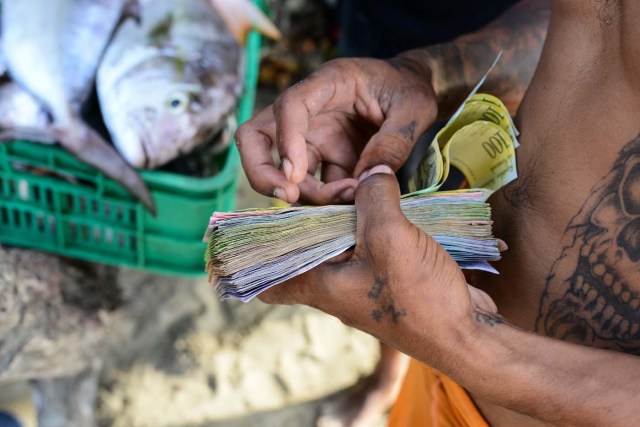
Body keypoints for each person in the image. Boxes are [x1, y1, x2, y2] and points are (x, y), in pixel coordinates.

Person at [236, 0, 640, 425]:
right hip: (442, 360)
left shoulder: (466, 347)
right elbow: (595, 31)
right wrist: (428, 74)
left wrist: (473, 347)